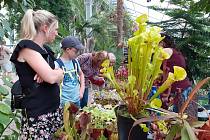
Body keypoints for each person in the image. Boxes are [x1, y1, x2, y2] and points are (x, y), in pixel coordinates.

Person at [10, 9, 64, 139]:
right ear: (45, 28)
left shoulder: (45, 50)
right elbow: (52, 78)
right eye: (55, 29)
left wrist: (54, 72)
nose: (57, 33)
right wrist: (52, 74)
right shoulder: (27, 48)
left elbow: (60, 72)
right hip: (38, 115)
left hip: (51, 111)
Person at [159, 33, 197, 120]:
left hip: (178, 92)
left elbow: (163, 70)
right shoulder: (176, 52)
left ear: (162, 42)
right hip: (186, 89)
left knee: (178, 123)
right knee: (187, 124)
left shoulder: (167, 51)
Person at [55, 36, 85, 108]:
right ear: (68, 49)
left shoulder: (75, 62)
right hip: (64, 102)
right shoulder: (57, 64)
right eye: (76, 51)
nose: (77, 53)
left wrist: (81, 91)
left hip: (76, 99)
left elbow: (81, 74)